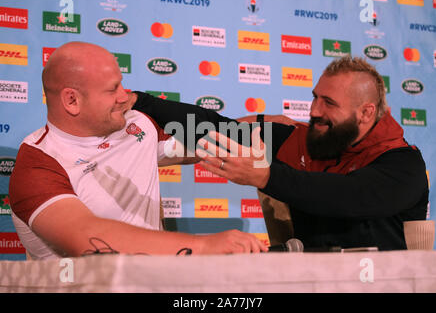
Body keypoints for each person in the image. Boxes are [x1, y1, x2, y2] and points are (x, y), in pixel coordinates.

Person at [130, 56, 429, 251]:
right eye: (314, 98)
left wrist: (266, 175)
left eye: (329, 103)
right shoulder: (300, 139)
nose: (314, 111)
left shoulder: (403, 163)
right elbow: (214, 128)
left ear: (366, 113)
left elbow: (348, 196)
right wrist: (138, 101)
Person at [8, 41, 267, 260]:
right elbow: (87, 236)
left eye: (122, 84)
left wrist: (273, 128)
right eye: (112, 90)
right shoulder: (37, 165)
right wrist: (203, 246)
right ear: (72, 100)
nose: (126, 96)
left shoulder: (135, 122)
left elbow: (218, 137)